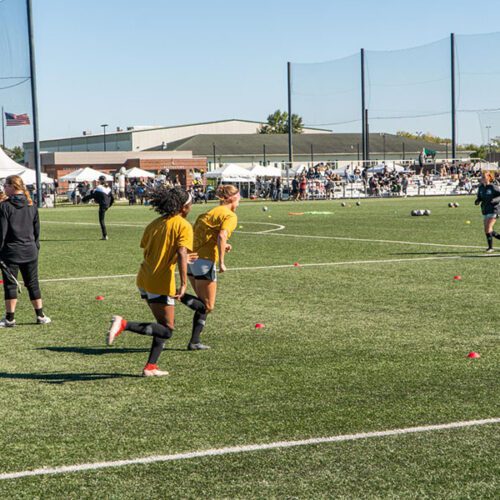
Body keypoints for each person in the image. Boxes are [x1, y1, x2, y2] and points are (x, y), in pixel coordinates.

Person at [106, 187, 195, 376]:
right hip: (160, 280)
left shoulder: (155, 223)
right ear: (183, 206)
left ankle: (151, 366)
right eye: (190, 203)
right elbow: (180, 252)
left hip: (144, 277)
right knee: (167, 330)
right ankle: (123, 324)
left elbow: (152, 248)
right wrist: (184, 283)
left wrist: (174, 257)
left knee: (160, 324)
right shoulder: (184, 225)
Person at [183, 185, 240, 350]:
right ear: (232, 198)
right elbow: (222, 235)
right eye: (239, 195)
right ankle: (173, 294)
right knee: (208, 306)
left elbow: (204, 235)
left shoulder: (210, 213)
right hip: (204, 262)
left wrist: (224, 245)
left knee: (202, 304)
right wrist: (221, 261)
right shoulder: (230, 215)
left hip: (190, 261)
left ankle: (194, 341)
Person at [0, 175, 51, 328]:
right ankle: (40, 315)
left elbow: (1, 233)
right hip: (30, 250)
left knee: (10, 285)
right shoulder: (32, 205)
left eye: (5, 185)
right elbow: (37, 232)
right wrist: (35, 248)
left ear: (13, 187)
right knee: (33, 283)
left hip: (11, 252)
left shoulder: (4, 206)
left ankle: (10, 319)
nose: (4, 188)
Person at [475, 171, 500, 253]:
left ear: (488, 178)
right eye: (481, 177)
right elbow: (479, 197)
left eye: (483, 177)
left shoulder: (493, 187)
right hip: (485, 210)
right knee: (487, 230)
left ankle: (490, 248)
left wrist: (495, 200)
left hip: (494, 210)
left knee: (488, 228)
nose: (481, 178)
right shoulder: (481, 187)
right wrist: (478, 200)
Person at [82, 175, 114, 240]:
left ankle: (105, 236)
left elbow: (93, 195)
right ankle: (104, 236)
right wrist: (109, 205)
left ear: (101, 180)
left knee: (101, 220)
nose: (98, 181)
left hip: (102, 205)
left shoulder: (99, 187)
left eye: (99, 180)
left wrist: (84, 199)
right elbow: (112, 198)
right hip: (107, 205)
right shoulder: (108, 188)